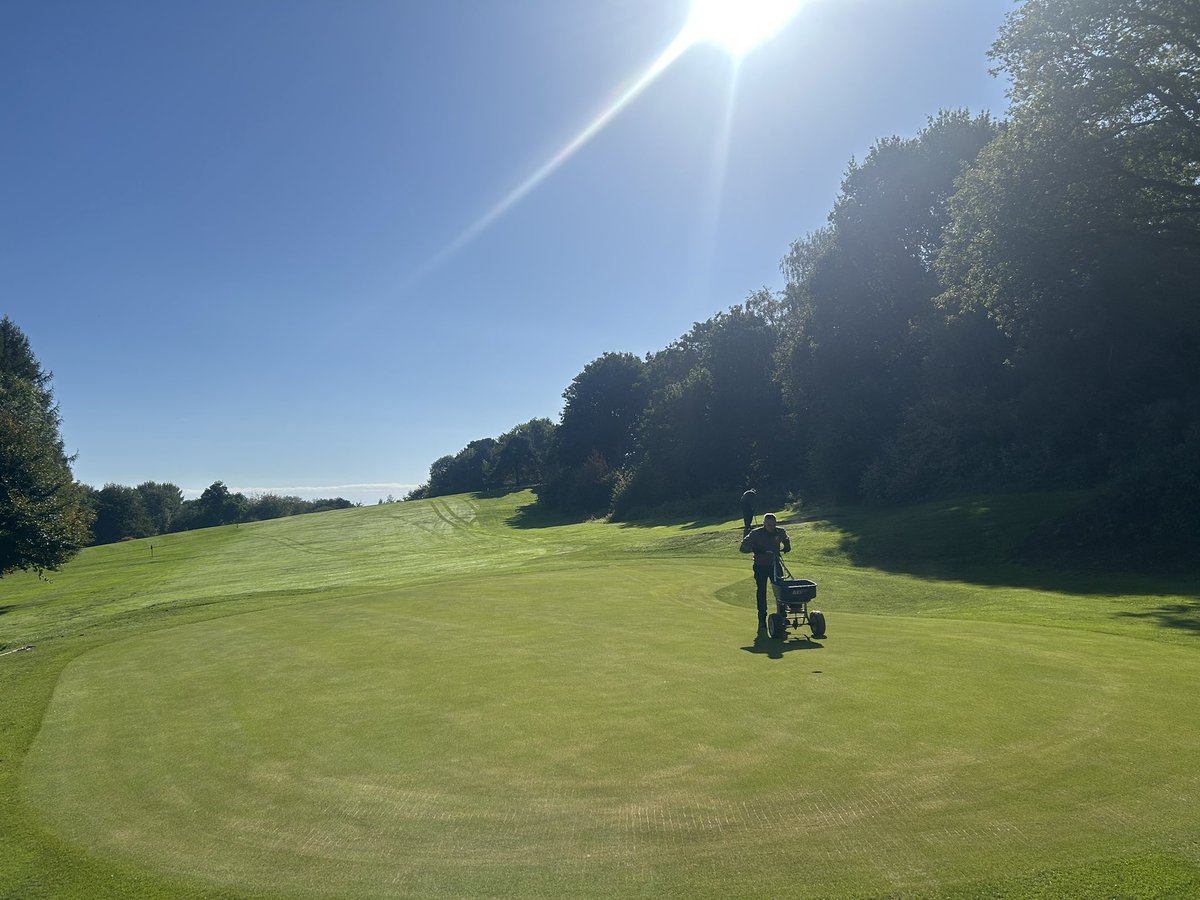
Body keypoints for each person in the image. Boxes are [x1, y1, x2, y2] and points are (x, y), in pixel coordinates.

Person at [739, 513, 791, 630]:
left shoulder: (780, 532)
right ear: (764, 524)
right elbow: (743, 547)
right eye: (769, 525)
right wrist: (754, 549)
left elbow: (786, 539)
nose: (771, 527)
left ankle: (782, 616)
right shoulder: (755, 533)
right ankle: (762, 619)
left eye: (773, 524)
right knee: (761, 591)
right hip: (760, 566)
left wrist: (787, 545)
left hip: (775, 564)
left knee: (781, 590)